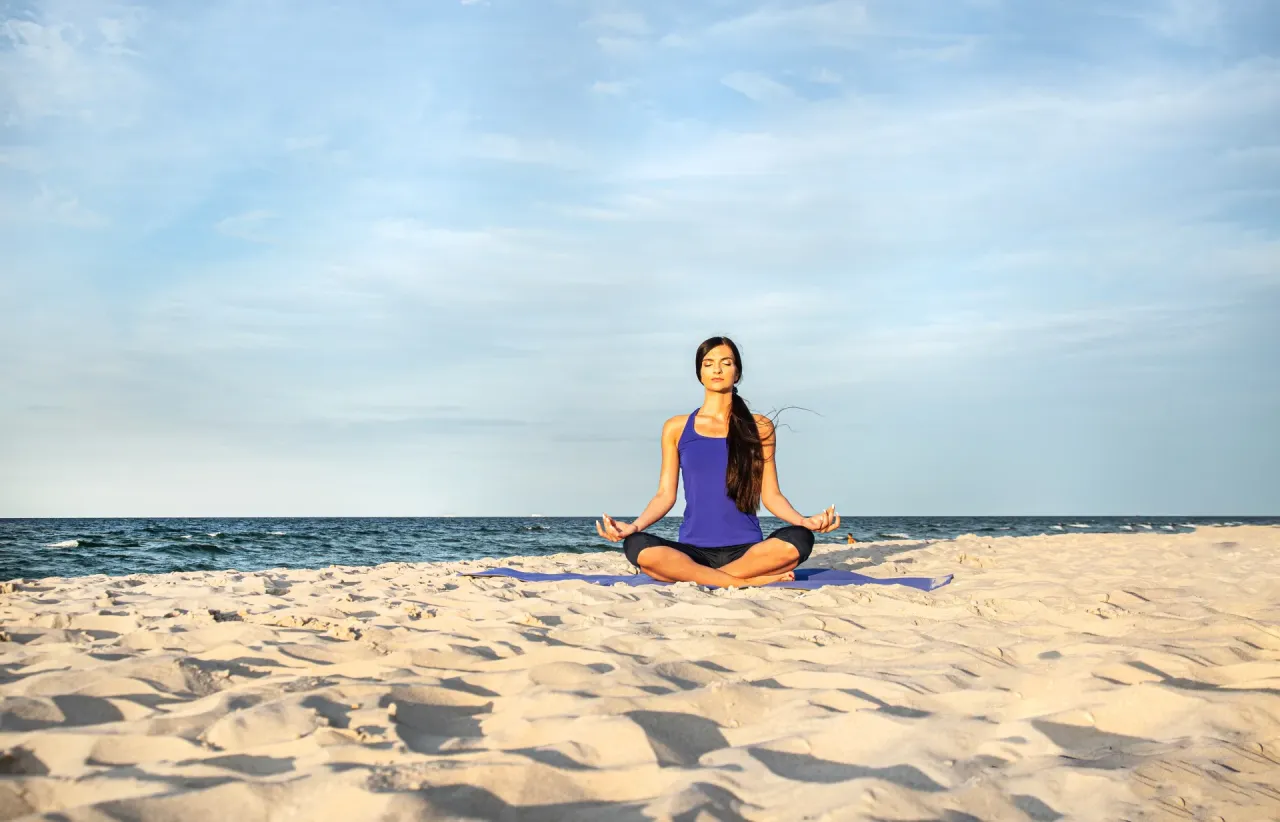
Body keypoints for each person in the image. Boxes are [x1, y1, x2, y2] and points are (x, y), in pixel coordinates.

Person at [595, 336, 841, 587]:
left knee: (799, 539)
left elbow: (771, 495)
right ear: (700, 373)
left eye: (726, 363)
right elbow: (665, 495)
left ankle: (706, 577)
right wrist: (634, 527)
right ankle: (747, 581)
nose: (717, 369)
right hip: (693, 552)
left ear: (737, 373)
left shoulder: (760, 427)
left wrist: (803, 521)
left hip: (748, 552)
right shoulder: (676, 428)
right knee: (637, 546)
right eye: (708, 363)